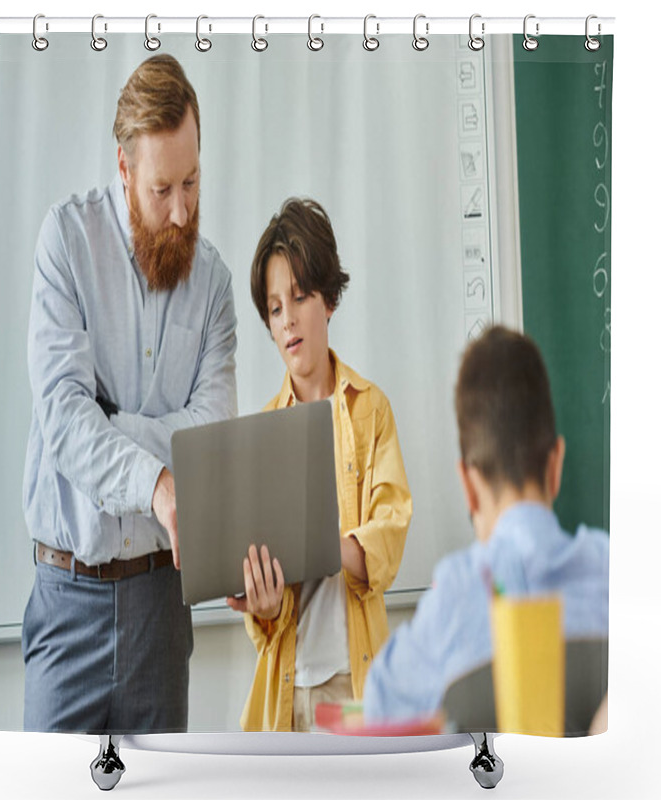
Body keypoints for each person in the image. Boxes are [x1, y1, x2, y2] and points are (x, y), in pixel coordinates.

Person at [22, 54, 237, 733]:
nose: (181, 211)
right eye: (161, 188)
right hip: (67, 599)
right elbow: (63, 421)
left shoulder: (216, 288)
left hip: (161, 608)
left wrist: (112, 422)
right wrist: (159, 484)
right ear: (123, 169)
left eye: (193, 182)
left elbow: (214, 436)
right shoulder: (65, 242)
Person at [227, 198, 412, 732]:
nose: (287, 320)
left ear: (328, 300)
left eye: (300, 297)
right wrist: (262, 607)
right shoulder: (260, 433)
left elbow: (391, 530)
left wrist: (325, 547)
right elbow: (269, 616)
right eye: (275, 307)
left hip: (357, 685)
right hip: (286, 692)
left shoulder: (369, 408)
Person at [362, 325, 609, 722]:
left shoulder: (455, 594)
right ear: (556, 464)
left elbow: (379, 706)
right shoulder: (608, 569)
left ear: (467, 485)